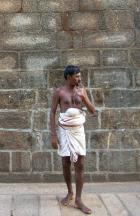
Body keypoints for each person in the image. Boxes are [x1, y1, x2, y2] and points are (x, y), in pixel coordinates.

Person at [50, 65, 96, 214]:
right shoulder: (60, 91)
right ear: (68, 77)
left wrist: (83, 96)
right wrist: (53, 135)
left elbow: (92, 110)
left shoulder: (81, 90)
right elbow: (52, 112)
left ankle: (78, 199)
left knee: (80, 163)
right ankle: (70, 192)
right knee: (65, 162)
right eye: (76, 76)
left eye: (79, 76)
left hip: (78, 131)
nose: (79, 79)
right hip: (64, 130)